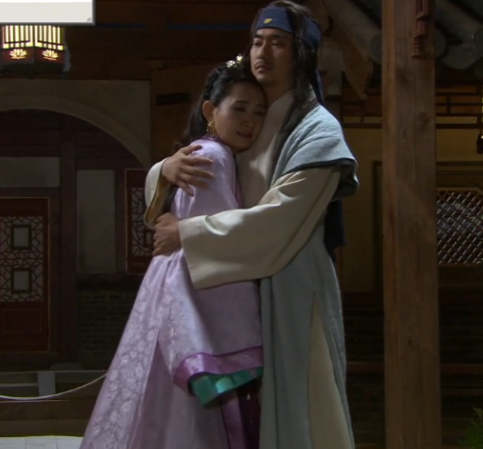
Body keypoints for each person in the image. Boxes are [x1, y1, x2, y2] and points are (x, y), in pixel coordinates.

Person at [142, 2, 359, 448]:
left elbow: (281, 220)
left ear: (301, 54)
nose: (263, 52)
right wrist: (165, 169)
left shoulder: (317, 131)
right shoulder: (250, 115)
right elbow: (201, 164)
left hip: (292, 280)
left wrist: (188, 234)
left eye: (278, 43)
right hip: (231, 286)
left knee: (299, 407)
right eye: (258, 42)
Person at [80, 63, 268, 449]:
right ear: (210, 110)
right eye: (239, 108)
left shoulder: (208, 153)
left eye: (258, 112)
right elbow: (214, 255)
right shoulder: (213, 159)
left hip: (166, 291)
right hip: (191, 299)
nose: (250, 121)